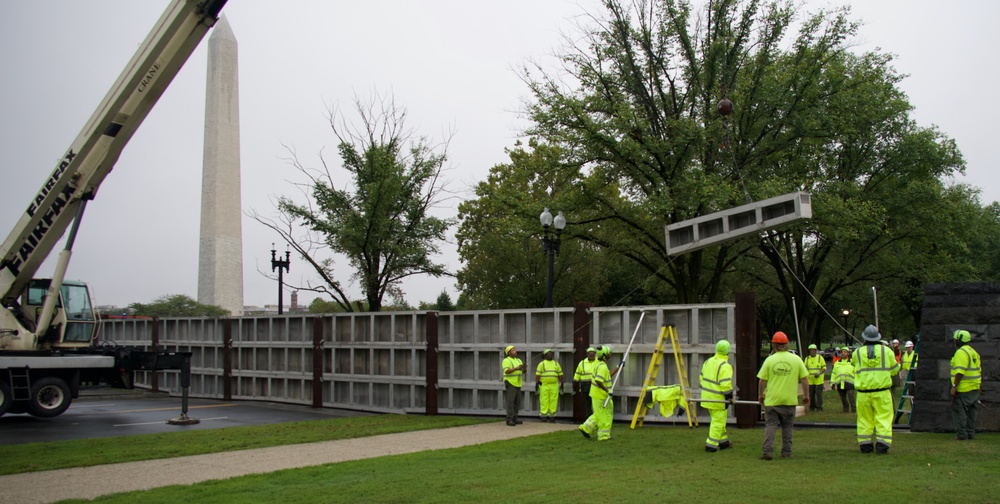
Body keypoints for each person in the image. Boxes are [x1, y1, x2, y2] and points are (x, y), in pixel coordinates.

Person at [757, 331, 809, 460]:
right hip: (789, 401)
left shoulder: (770, 360)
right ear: (787, 344)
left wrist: (760, 395)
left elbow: (762, 380)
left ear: (773, 345)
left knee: (770, 426)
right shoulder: (796, 359)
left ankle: (767, 451)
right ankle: (786, 452)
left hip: (772, 401)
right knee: (787, 428)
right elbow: (804, 379)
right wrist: (806, 396)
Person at [851, 325, 900, 454]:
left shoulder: (857, 353)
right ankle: (882, 446)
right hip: (882, 392)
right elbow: (895, 369)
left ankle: (865, 446)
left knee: (864, 419)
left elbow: (854, 365)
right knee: (883, 418)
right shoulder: (887, 351)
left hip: (863, 394)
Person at [700, 339, 734, 452]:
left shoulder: (708, 361)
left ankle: (724, 442)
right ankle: (711, 445)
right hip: (718, 400)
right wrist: (730, 396)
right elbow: (725, 385)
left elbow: (701, 378)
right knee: (718, 422)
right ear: (728, 351)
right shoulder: (725, 365)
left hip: (706, 397)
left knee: (718, 420)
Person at [950, 330, 982, 440]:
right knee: (972, 412)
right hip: (975, 386)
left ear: (958, 340)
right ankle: (971, 433)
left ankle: (961, 434)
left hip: (964, 388)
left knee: (960, 411)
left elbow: (960, 372)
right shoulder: (973, 352)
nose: (953, 341)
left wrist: (955, 386)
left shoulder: (961, 352)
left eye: (955, 339)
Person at [579, 345, 615, 441]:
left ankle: (585, 428)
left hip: (597, 394)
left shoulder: (599, 364)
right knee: (605, 416)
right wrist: (608, 390)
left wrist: (617, 367)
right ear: (605, 355)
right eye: (609, 354)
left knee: (599, 414)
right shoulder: (602, 367)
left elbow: (607, 375)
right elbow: (599, 381)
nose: (610, 355)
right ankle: (603, 436)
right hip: (600, 396)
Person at [536, 348, 564, 422]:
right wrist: (537, 382)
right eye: (548, 354)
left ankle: (552, 414)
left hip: (554, 385)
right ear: (545, 355)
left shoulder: (556, 364)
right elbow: (538, 374)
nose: (550, 355)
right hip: (544, 385)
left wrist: (562, 382)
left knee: (553, 400)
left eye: (551, 353)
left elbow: (560, 374)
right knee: (544, 400)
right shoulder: (541, 364)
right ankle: (544, 415)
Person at [502, 345, 527, 426]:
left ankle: (514, 418)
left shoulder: (518, 360)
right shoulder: (506, 360)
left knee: (517, 402)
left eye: (515, 350)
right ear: (509, 353)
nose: (515, 351)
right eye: (513, 350)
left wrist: (524, 368)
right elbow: (507, 371)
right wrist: (517, 368)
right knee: (510, 402)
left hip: (518, 383)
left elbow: (523, 372)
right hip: (510, 382)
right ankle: (509, 419)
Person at [573, 347, 599, 417]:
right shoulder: (582, 363)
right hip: (585, 387)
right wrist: (575, 380)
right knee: (588, 404)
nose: (591, 355)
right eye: (590, 354)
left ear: (595, 354)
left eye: (593, 354)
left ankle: (595, 418)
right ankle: (589, 418)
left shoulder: (598, 362)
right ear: (587, 354)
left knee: (595, 403)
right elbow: (578, 373)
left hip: (595, 386)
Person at [831, 348, 856, 413]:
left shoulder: (852, 362)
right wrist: (832, 383)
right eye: (842, 352)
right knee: (842, 396)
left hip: (850, 382)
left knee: (850, 395)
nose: (843, 353)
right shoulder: (837, 363)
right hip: (840, 382)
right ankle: (845, 409)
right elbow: (834, 373)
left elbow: (856, 372)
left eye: (845, 352)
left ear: (848, 353)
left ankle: (853, 409)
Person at [804, 344, 826, 412]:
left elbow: (824, 367)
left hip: (819, 380)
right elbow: (804, 368)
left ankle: (819, 407)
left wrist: (819, 372)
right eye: (811, 350)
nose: (812, 351)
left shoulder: (820, 358)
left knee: (818, 394)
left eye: (814, 350)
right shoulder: (807, 359)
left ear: (816, 351)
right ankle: (812, 407)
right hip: (810, 380)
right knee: (811, 394)